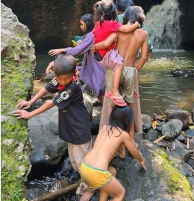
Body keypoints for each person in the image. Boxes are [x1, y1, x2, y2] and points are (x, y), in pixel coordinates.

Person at [14, 54, 95, 201]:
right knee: (75, 161)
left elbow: (51, 103)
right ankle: (88, 181)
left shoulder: (72, 87)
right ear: (55, 74)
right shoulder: (60, 80)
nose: (62, 81)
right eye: (60, 78)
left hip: (79, 128)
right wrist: (30, 101)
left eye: (66, 78)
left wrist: (29, 114)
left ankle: (90, 187)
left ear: (74, 74)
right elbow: (47, 88)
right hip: (71, 126)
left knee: (83, 160)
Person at [99, 6, 149, 140]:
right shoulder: (143, 33)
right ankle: (131, 137)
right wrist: (135, 70)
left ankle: (107, 135)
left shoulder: (119, 29)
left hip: (115, 69)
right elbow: (144, 56)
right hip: (131, 69)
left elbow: (107, 45)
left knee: (111, 102)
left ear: (126, 16)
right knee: (130, 104)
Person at [80, 105, 147, 201]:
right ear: (127, 121)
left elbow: (118, 153)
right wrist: (141, 160)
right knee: (120, 193)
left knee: (112, 173)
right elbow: (134, 152)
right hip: (97, 172)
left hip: (84, 166)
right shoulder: (123, 135)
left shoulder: (104, 128)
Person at [48, 14, 106, 103]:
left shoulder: (91, 35)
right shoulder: (92, 35)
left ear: (88, 24)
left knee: (100, 91)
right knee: (99, 92)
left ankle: (110, 113)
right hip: (94, 65)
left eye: (82, 24)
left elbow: (77, 51)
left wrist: (61, 50)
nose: (81, 27)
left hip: (97, 66)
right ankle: (107, 113)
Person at [92, 0, 141, 106]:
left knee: (119, 64)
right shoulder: (112, 24)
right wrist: (136, 24)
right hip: (105, 54)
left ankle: (127, 89)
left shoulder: (98, 24)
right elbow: (127, 29)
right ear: (114, 13)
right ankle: (114, 91)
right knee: (120, 64)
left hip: (99, 55)